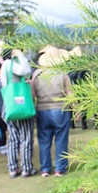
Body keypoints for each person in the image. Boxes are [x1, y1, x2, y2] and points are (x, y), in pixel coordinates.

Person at [31, 46, 74, 177]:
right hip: (61, 109)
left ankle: (45, 169)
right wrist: (76, 111)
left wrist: (33, 111)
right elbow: (70, 93)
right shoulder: (62, 73)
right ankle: (60, 169)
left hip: (42, 110)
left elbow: (32, 95)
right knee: (61, 140)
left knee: (44, 141)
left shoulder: (36, 74)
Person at [1, 50, 37, 178]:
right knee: (26, 138)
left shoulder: (3, 66)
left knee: (13, 139)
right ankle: (26, 168)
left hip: (9, 106)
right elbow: (26, 71)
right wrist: (20, 56)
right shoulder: (11, 64)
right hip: (20, 107)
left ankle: (12, 168)